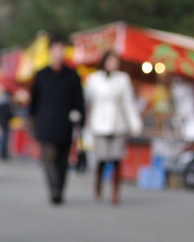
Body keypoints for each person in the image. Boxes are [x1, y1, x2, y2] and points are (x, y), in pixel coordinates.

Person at [29, 36, 85, 205]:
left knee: (63, 160)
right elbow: (34, 102)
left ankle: (59, 188)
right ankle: (54, 188)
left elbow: (79, 101)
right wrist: (32, 121)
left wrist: (80, 120)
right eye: (56, 48)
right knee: (49, 157)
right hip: (46, 123)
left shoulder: (72, 76)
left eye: (62, 49)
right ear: (51, 51)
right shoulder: (41, 75)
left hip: (65, 124)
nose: (59, 52)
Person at [84, 51, 142, 205]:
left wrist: (135, 123)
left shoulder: (123, 79)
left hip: (118, 125)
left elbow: (128, 103)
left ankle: (115, 192)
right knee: (102, 158)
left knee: (117, 159)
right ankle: (98, 185)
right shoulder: (94, 79)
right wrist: (86, 122)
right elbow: (88, 102)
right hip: (99, 125)